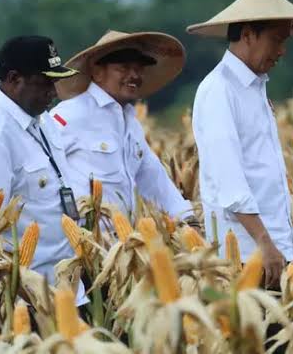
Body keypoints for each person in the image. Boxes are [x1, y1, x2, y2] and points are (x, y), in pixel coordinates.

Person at [187, 0, 293, 289]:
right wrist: (264, 243)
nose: (282, 50)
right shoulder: (219, 91)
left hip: (272, 250)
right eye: (276, 39)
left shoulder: (255, 88)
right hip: (245, 255)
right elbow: (230, 181)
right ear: (247, 35)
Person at [0, 36, 88, 305]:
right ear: (14, 78)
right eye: (44, 83)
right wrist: (3, 306)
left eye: (55, 82)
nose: (53, 92)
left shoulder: (42, 119)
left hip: (68, 288)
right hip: (28, 299)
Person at [52, 30, 193, 223]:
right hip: (83, 242)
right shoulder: (70, 115)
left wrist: (188, 218)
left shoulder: (131, 123)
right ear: (97, 72)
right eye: (124, 68)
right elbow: (41, 176)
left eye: (138, 69)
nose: (134, 75)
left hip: (121, 246)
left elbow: (153, 179)